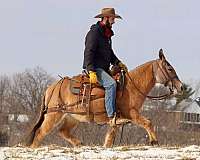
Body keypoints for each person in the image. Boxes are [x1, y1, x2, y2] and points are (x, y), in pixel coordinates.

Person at [83, 8, 128, 126]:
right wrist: (91, 70)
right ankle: (111, 117)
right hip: (95, 68)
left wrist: (118, 62)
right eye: (113, 19)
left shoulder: (106, 33)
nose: (114, 22)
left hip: (103, 68)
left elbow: (109, 52)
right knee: (111, 84)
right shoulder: (95, 33)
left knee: (120, 83)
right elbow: (89, 52)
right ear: (106, 18)